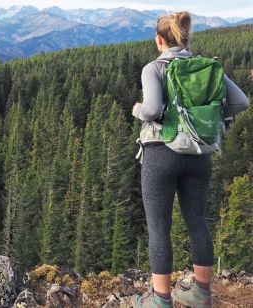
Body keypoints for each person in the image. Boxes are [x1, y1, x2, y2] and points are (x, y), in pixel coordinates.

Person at [130, 11, 250, 308]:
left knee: (159, 227)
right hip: (200, 154)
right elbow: (242, 102)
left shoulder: (153, 68)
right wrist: (210, 119)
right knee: (197, 221)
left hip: (161, 154)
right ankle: (201, 294)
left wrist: (137, 110)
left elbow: (153, 108)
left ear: (159, 39)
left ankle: (160, 300)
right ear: (187, 37)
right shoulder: (208, 68)